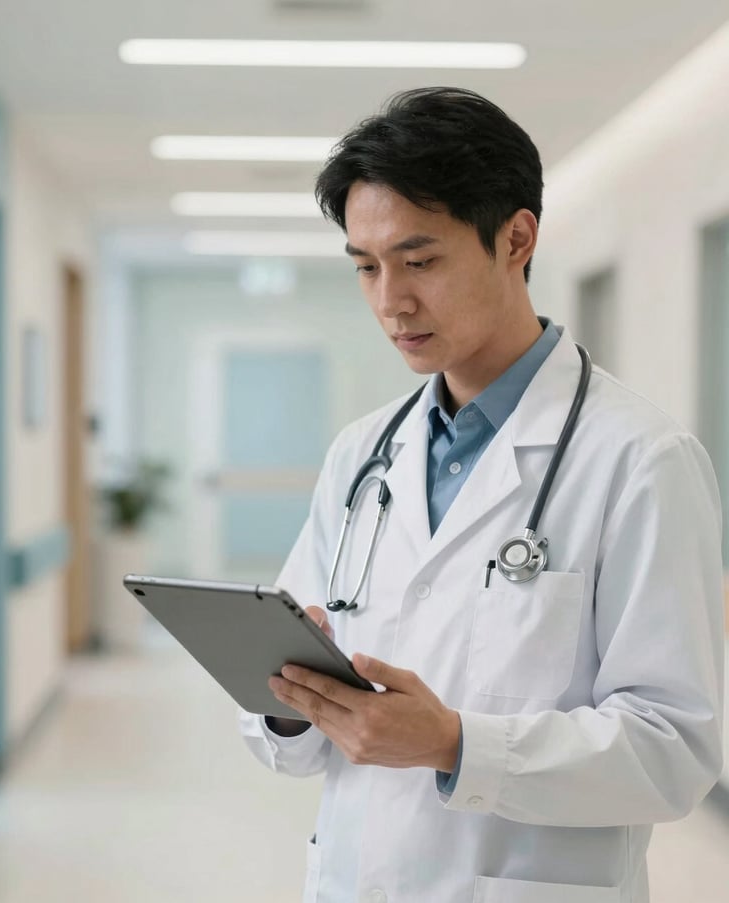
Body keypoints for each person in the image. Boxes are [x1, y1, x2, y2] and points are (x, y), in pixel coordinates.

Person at [239, 87, 725, 903]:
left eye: (419, 260)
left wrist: (458, 744)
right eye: (367, 266)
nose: (390, 300)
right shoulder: (361, 455)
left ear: (516, 238)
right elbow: (288, 726)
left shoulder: (641, 459)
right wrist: (293, 703)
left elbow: (673, 749)